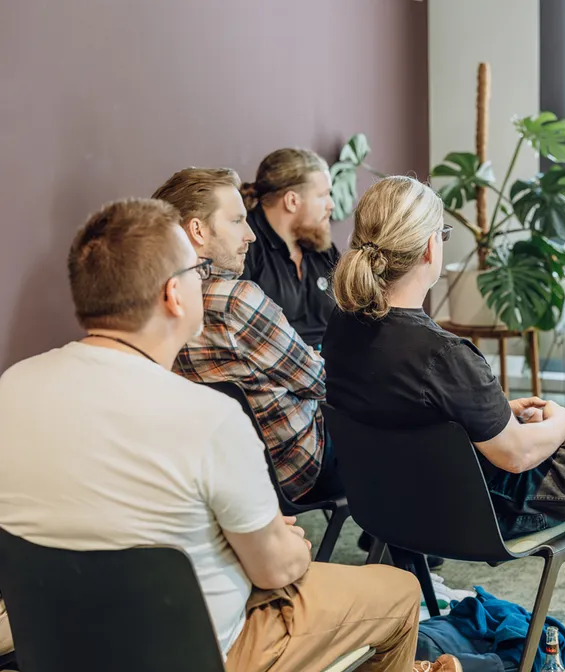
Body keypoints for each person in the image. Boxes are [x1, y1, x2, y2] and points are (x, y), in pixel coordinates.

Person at [0, 198, 457, 672]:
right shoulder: (209, 418)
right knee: (397, 590)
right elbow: (276, 570)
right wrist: (286, 545)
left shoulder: (13, 386)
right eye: (197, 271)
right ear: (173, 295)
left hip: (57, 647)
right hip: (206, 653)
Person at [323, 175, 565, 656]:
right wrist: (560, 420)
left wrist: (496, 409)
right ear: (429, 251)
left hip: (387, 507)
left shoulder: (342, 325)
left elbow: (409, 407)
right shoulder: (443, 354)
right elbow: (516, 456)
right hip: (479, 511)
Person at [153, 167, 336, 503]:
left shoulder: (151, 303)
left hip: (219, 472)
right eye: (237, 221)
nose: (250, 235)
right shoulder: (236, 301)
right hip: (294, 467)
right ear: (198, 230)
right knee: (394, 430)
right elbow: (322, 382)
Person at [241, 148, 339, 349]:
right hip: (278, 371)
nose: (331, 205)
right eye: (323, 195)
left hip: (333, 369)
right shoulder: (244, 245)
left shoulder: (321, 245)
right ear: (292, 201)